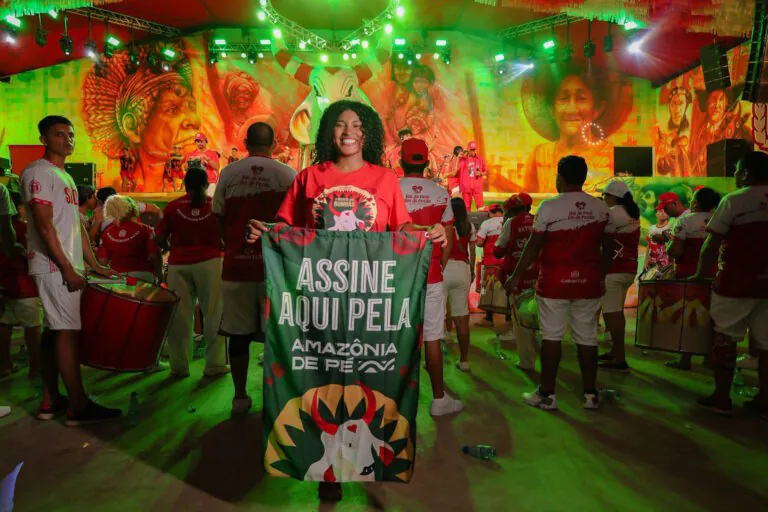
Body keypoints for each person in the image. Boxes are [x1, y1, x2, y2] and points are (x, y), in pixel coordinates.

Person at [246, 99, 449, 502]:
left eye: (357, 125)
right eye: (339, 125)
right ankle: (329, 473)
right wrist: (266, 231)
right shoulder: (309, 177)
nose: (348, 131)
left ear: (368, 133)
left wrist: (431, 233)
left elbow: (402, 229)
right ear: (328, 133)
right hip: (319, 304)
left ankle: (370, 458)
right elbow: (288, 228)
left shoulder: (386, 180)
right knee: (322, 380)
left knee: (368, 380)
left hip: (370, 304)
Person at [21, 115, 121, 425]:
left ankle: (50, 401)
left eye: (71, 134)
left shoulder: (63, 176)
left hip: (64, 266)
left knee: (54, 331)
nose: (67, 139)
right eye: (59, 134)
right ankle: (78, 406)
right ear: (44, 139)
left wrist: (94, 265)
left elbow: (73, 228)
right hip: (54, 267)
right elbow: (43, 223)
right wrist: (67, 268)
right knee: (67, 332)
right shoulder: (38, 173)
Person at [506, 156, 611, 411]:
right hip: (588, 285)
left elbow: (533, 247)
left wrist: (516, 276)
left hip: (554, 284)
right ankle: (590, 395)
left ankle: (547, 395)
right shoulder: (600, 208)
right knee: (587, 338)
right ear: (583, 177)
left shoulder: (549, 207)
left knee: (551, 337)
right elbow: (608, 248)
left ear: (560, 178)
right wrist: (600, 276)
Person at [212, 122, 297, 415]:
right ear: (274, 144)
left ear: (246, 142)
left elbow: (219, 217)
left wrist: (234, 243)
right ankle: (276, 399)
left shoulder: (228, 173)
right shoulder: (289, 175)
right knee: (278, 336)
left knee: (237, 335)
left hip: (237, 269)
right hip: (276, 271)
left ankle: (239, 397)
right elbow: (297, 226)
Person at [692, 151, 768, 417]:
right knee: (766, 344)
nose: (734, 175)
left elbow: (711, 244)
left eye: (737, 170)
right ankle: (764, 401)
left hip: (736, 282)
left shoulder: (734, 201)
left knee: (724, 338)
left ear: (746, 173)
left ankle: (722, 398)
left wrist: (700, 275)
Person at [399, 138, 463, 411]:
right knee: (432, 337)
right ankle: (438, 399)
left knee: (395, 338)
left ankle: (391, 400)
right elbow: (447, 238)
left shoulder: (390, 189)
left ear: (401, 161)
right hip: (431, 275)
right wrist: (437, 265)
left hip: (396, 276)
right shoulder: (440, 193)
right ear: (426, 163)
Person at [155, 165, 229, 379]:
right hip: (211, 264)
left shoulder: (171, 208)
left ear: (185, 185)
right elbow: (226, 236)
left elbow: (159, 239)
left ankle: (179, 367)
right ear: (207, 185)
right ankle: (214, 364)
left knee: (180, 318)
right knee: (213, 314)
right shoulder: (215, 206)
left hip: (178, 266)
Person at [523, 65, 626, 193]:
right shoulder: (539, 155)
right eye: (564, 99)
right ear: (552, 109)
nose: (572, 109)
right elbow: (529, 203)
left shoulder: (614, 156)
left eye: (581, 99)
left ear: (597, 109)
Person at [665, 187, 721, 370]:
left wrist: (668, 247)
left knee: (688, 316)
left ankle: (685, 359)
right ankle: (711, 357)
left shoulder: (685, 221)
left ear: (695, 203)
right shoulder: (717, 220)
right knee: (712, 316)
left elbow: (677, 250)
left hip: (688, 274)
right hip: (713, 274)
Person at [596, 180, 641, 372]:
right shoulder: (632, 214)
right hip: (628, 269)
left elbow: (603, 242)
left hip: (613, 270)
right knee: (616, 312)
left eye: (604, 195)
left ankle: (620, 358)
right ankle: (615, 351)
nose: (603, 199)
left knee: (612, 314)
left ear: (612, 196)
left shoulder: (613, 213)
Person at [0, 190, 41, 380]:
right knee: (32, 327)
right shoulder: (21, 229)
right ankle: (35, 367)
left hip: (3, 284)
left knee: (4, 325)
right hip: (24, 285)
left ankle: (5, 365)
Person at [496, 193, 539, 369]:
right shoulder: (538, 220)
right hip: (539, 277)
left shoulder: (511, 223)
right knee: (540, 318)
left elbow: (498, 250)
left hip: (518, 278)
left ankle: (526, 362)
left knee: (521, 322)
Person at [97, 195, 162, 283]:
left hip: (117, 278)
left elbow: (102, 261)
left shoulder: (106, 233)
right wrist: (159, 274)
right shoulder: (145, 230)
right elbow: (154, 255)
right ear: (133, 209)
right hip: (144, 276)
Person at [444, 197, 475, 371]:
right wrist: (472, 271)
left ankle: (434, 359)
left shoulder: (444, 224)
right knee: (462, 318)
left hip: (446, 267)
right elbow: (472, 252)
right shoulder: (469, 226)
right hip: (463, 270)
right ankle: (464, 361)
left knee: (437, 316)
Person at [476, 203, 506, 327]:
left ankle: (489, 317)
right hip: (505, 263)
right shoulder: (508, 222)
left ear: (490, 213)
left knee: (488, 290)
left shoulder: (487, 224)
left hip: (491, 263)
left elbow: (479, 242)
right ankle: (508, 316)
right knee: (504, 289)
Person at [457, 141, 486, 211]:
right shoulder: (463, 159)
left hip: (477, 187)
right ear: (468, 149)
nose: (473, 152)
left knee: (481, 208)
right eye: (471, 150)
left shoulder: (480, 159)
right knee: (466, 208)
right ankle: (467, 221)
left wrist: (481, 173)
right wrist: (459, 157)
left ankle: (480, 221)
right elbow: (457, 170)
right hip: (466, 187)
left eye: (474, 150)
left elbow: (485, 172)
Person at [644, 204, 673, 271]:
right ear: (656, 214)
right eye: (660, 211)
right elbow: (649, 246)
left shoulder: (671, 227)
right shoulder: (652, 228)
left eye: (665, 211)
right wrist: (645, 262)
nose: (663, 213)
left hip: (668, 264)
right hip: (654, 264)